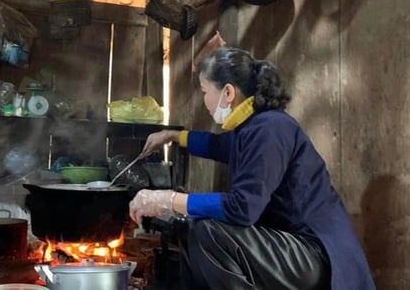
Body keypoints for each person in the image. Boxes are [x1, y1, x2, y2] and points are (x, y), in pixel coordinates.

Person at [129, 47, 375, 289]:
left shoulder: (270, 129)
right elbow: (220, 146)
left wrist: (169, 200)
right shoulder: (252, 128)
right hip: (293, 248)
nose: (204, 100)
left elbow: (243, 208)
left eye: (205, 91)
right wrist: (173, 136)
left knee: (208, 232)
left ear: (227, 92)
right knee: (189, 227)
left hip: (317, 254)